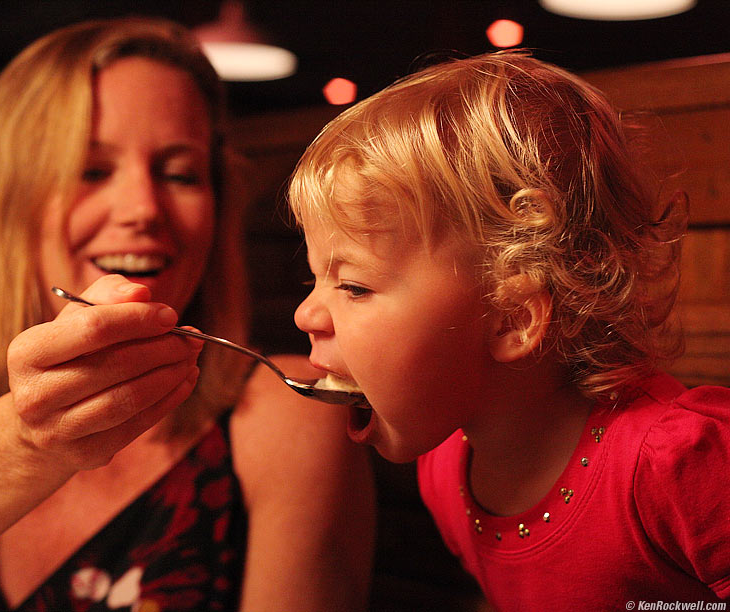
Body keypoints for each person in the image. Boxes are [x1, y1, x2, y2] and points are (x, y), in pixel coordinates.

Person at [289, 50, 730, 609]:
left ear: (512, 317)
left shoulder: (682, 465)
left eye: (353, 286)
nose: (306, 315)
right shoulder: (446, 471)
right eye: (314, 278)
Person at [0, 17, 375, 612]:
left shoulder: (285, 417)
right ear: (6, 201)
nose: (143, 209)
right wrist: (27, 441)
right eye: (92, 171)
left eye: (181, 174)